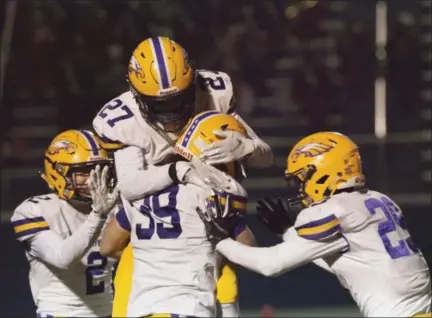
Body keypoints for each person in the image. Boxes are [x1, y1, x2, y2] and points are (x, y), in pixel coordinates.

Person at [92, 36, 272, 317]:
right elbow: (131, 186)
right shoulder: (124, 120)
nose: (172, 111)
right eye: (160, 104)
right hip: (155, 223)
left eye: (179, 99)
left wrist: (246, 145)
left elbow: (265, 156)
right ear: (135, 93)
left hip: (195, 215)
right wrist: (180, 170)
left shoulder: (214, 92)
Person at [202, 132, 432, 317]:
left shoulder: (332, 209)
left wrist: (221, 239)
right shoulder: (379, 200)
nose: (301, 187)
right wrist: (287, 232)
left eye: (303, 178)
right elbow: (349, 264)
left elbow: (271, 265)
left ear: (323, 171)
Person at [99, 111, 256, 317]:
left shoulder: (144, 186)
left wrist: (158, 258)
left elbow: (107, 245)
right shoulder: (214, 194)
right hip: (185, 308)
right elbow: (249, 253)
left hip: (139, 309)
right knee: (225, 268)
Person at [11, 130, 120, 317]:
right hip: (61, 312)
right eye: (84, 172)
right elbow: (62, 258)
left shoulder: (116, 207)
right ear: (58, 173)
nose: (94, 179)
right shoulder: (35, 210)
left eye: (100, 170)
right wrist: (98, 215)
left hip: (108, 311)